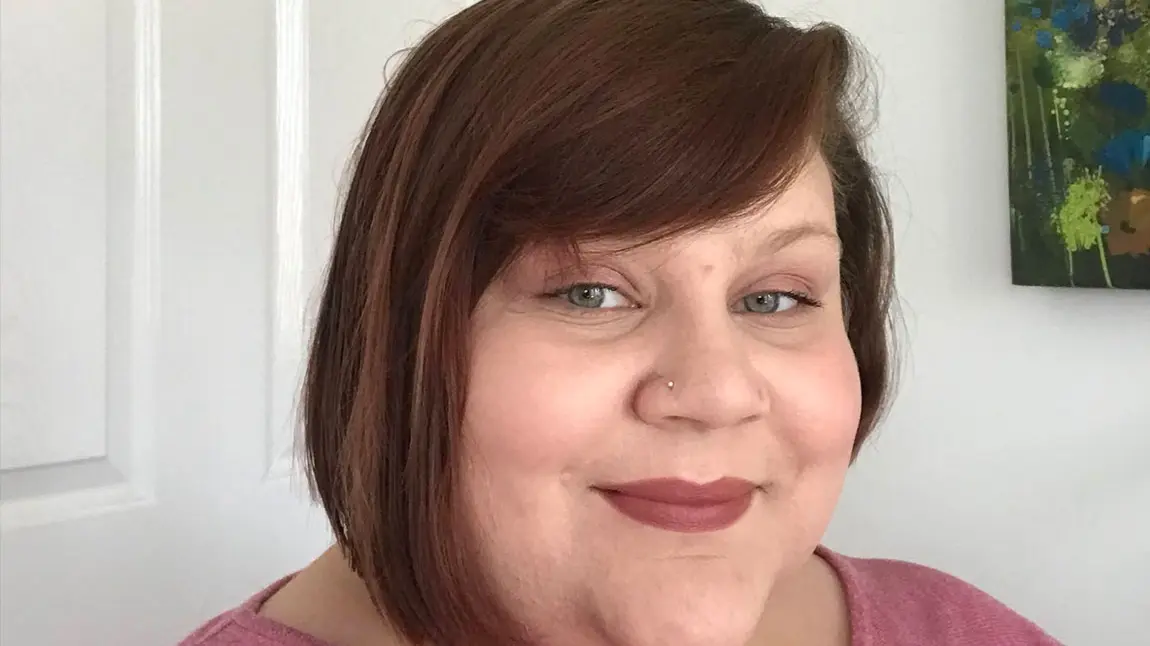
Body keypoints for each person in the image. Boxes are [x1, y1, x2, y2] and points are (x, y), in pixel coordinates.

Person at [179, 0, 1063, 644]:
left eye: (775, 298)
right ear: (403, 333)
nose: (715, 393)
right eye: (591, 292)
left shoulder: (962, 630)